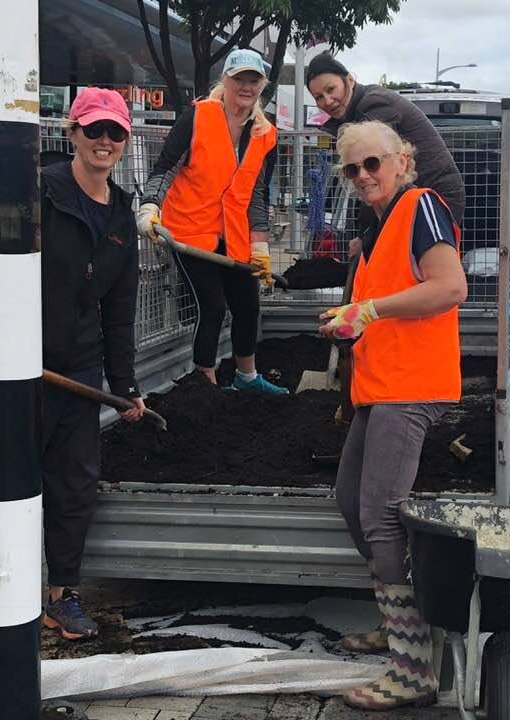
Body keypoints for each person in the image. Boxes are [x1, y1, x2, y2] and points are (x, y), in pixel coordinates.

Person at [0, 86, 147, 641]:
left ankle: (64, 596)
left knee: (74, 482)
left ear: (125, 141)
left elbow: (119, 311)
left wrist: (125, 387)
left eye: (115, 132)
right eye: (94, 130)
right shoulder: (37, 193)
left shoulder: (122, 216)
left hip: (77, 372)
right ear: (72, 133)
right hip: (12, 366)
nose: (105, 141)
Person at [318, 120, 468, 710]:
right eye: (351, 170)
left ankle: (413, 669)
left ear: (403, 161)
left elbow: (450, 287)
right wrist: (353, 314)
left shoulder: (422, 207)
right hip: (380, 388)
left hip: (410, 387)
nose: (362, 177)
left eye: (372, 164)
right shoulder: (381, 225)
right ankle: (401, 619)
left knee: (381, 515)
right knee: (351, 501)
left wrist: (370, 310)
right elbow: (387, 300)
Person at [136, 48, 286, 395]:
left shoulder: (265, 135)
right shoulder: (197, 118)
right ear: (226, 81)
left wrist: (259, 245)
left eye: (253, 80)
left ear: (262, 85)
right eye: (239, 80)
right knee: (213, 306)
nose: (246, 87)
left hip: (233, 235)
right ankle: (205, 386)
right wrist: (148, 207)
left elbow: (257, 194)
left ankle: (247, 378)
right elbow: (165, 169)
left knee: (248, 304)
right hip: (188, 231)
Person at [306, 53, 468, 255]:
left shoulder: (374, 105)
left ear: (349, 79)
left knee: (415, 268)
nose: (327, 101)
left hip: (435, 196)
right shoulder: (361, 109)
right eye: (319, 97)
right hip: (414, 197)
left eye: (331, 89)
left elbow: (374, 179)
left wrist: (366, 237)